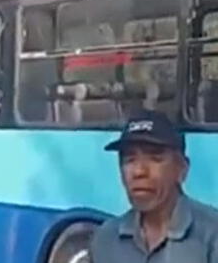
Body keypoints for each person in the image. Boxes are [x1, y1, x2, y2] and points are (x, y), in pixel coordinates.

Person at [90, 110, 218, 262]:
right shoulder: (105, 238)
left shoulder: (211, 233)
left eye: (155, 158)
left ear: (182, 169)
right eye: (130, 160)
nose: (139, 171)